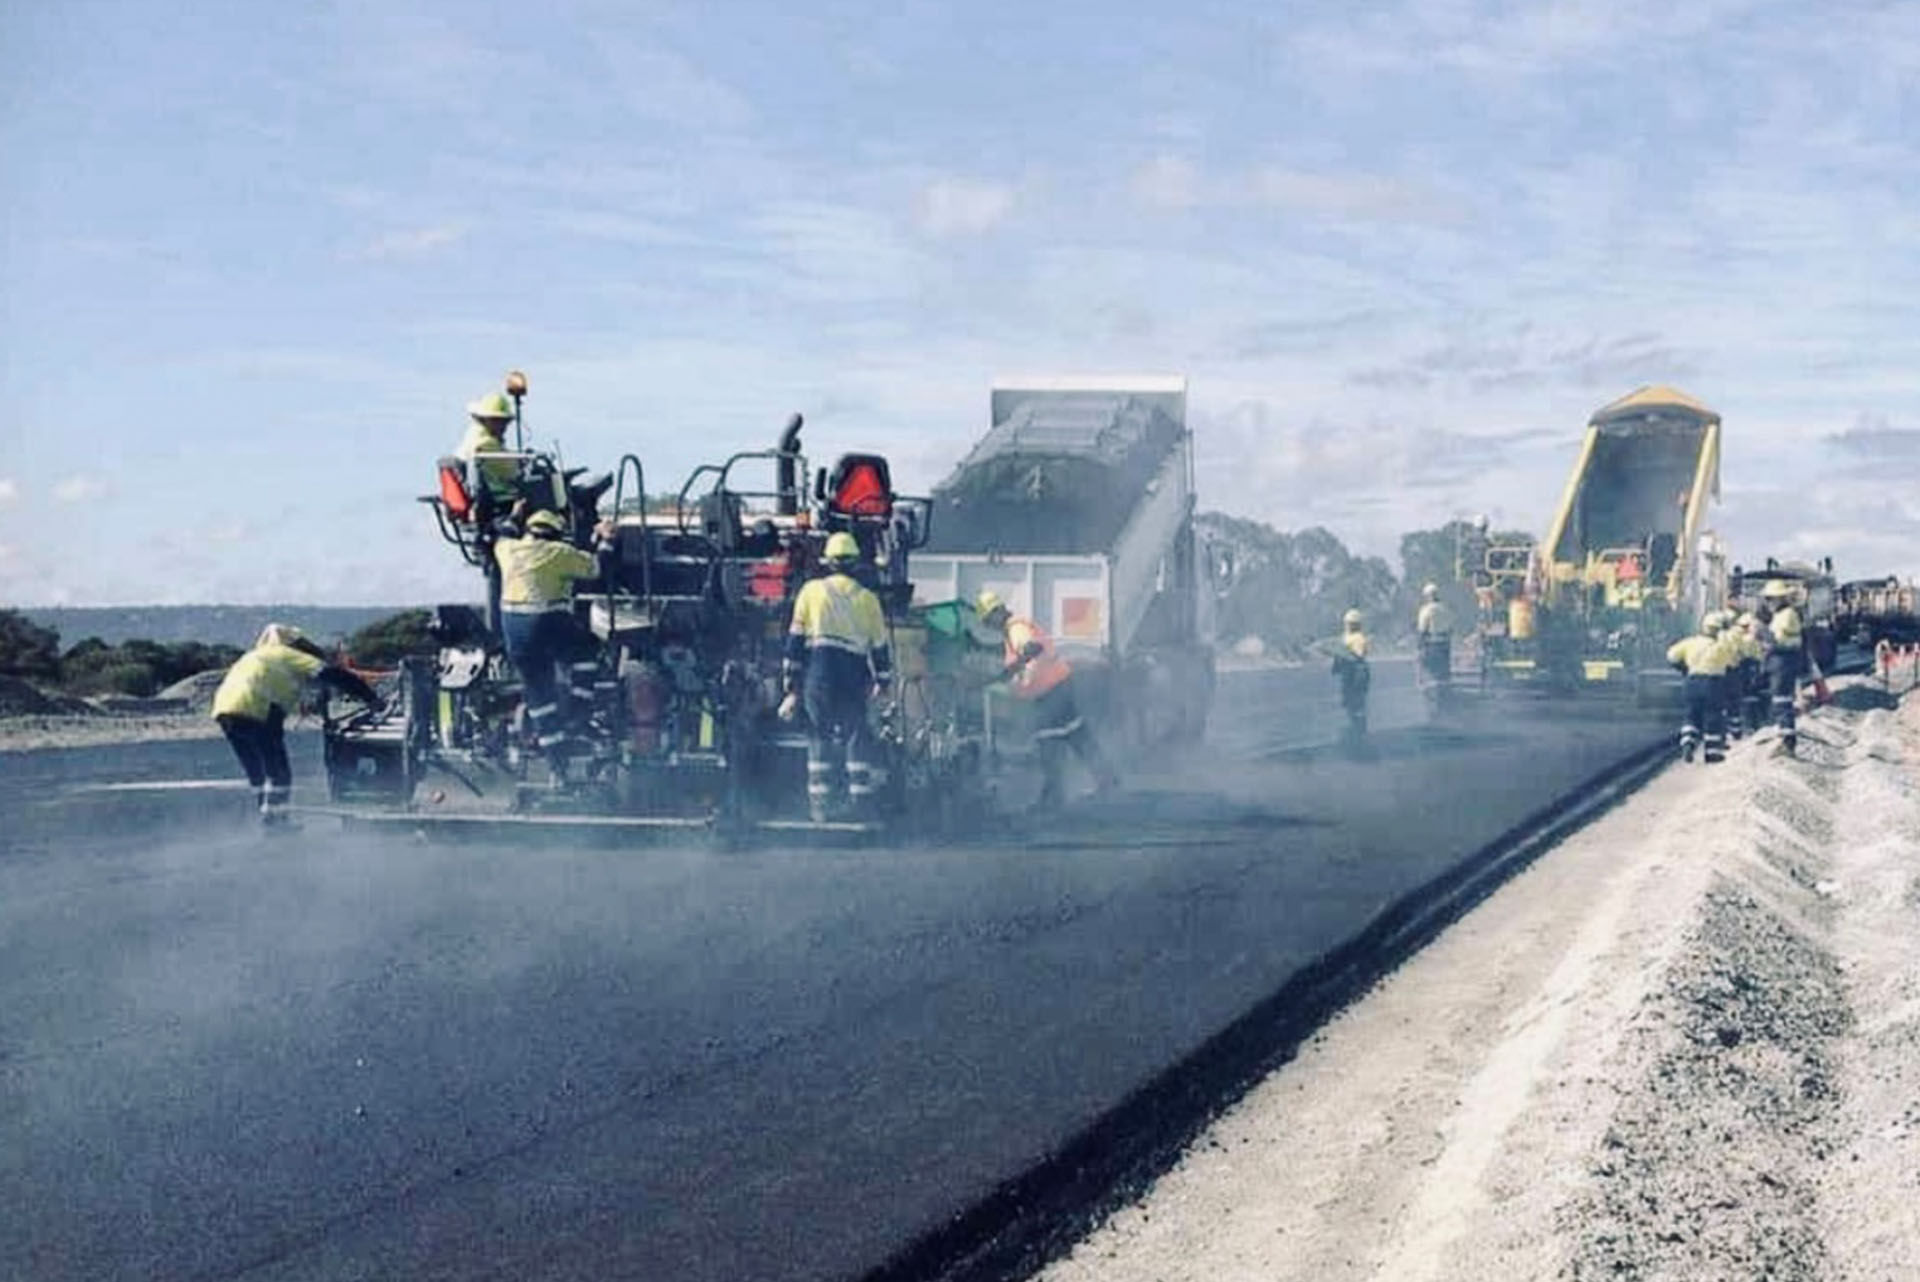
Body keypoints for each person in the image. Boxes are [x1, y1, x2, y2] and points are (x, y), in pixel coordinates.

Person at [212, 624, 379, 826]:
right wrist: (370, 697)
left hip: (224, 710)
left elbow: (277, 682)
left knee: (256, 770)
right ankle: (277, 824)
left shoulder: (252, 657)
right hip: (258, 709)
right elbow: (332, 675)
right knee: (278, 771)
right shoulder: (287, 654)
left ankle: (268, 817)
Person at [781, 532, 893, 822]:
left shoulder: (810, 591)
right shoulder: (868, 599)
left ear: (828, 562)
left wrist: (790, 682)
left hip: (819, 673)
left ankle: (821, 807)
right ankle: (860, 803)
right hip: (853, 675)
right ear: (856, 563)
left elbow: (794, 642)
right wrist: (883, 682)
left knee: (818, 735)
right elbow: (880, 649)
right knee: (856, 734)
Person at [975, 589, 1120, 809]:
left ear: (996, 613)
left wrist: (1010, 672)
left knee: (1047, 740)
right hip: (1058, 687)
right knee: (1076, 735)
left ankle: (1054, 795)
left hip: (1050, 692)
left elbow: (1032, 647)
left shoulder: (1016, 628)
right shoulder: (1013, 629)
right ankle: (1106, 779)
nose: (989, 625)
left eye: (988, 620)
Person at [495, 509, 614, 767]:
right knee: (587, 652)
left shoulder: (506, 549)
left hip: (513, 631)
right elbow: (595, 568)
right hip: (546, 622)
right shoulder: (559, 552)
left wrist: (515, 512)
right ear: (557, 534)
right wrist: (606, 539)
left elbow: (504, 531)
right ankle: (578, 712)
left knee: (539, 692)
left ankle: (556, 760)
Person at [1666, 611, 1732, 764]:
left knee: (1691, 714)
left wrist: (1683, 668)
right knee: (1713, 716)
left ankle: (1688, 743)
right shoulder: (1722, 647)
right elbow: (1732, 663)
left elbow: (1671, 656)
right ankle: (1712, 753)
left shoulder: (1690, 642)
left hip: (1692, 681)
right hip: (1714, 684)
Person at [1759, 578, 1806, 755]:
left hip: (1783, 662)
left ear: (1780, 598)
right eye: (1767, 599)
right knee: (1779, 700)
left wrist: (1764, 633)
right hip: (1778, 662)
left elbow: (1784, 640)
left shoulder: (1787, 615)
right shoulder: (1780, 615)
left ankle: (1787, 741)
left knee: (1782, 700)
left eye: (1770, 599)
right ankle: (1784, 735)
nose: (1768, 603)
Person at [455, 391, 523, 510]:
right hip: (496, 501)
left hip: (482, 497)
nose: (503, 426)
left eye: (504, 421)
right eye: (496, 420)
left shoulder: (471, 436)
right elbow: (513, 473)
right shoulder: (486, 444)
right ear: (484, 419)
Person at [1326, 608, 1371, 739]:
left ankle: (1358, 730)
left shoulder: (1358, 638)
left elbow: (1359, 656)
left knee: (1356, 702)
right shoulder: (1347, 637)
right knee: (1350, 701)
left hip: (1356, 673)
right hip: (1349, 673)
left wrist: (1345, 656)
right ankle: (1356, 727)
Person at [1415, 582, 1452, 704]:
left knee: (1430, 674)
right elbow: (1450, 628)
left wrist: (1419, 647)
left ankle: (1433, 701)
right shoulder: (1445, 609)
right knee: (1444, 675)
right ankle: (1445, 700)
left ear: (1427, 596)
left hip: (1432, 644)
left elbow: (1422, 630)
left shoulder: (1426, 610)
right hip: (1445, 645)